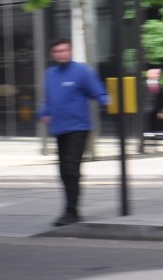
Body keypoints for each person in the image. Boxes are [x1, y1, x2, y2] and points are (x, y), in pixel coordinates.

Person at [37, 38, 109, 225]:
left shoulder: (82, 71)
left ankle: (71, 211)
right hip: (60, 128)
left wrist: (108, 102)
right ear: (52, 54)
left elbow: (98, 93)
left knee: (71, 169)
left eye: (65, 50)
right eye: (58, 51)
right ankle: (70, 209)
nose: (62, 54)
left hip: (79, 127)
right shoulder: (50, 74)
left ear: (70, 51)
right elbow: (48, 100)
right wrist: (43, 113)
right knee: (63, 171)